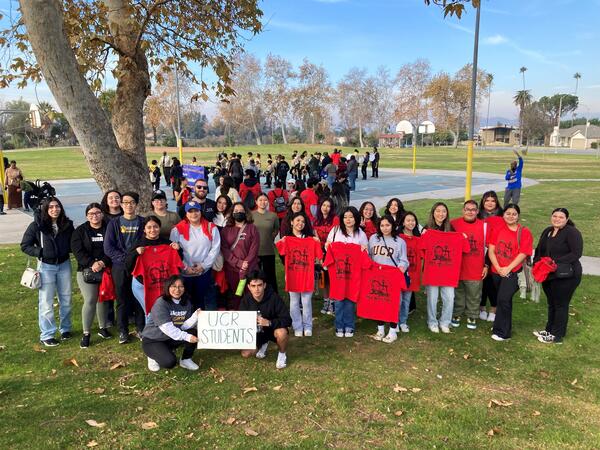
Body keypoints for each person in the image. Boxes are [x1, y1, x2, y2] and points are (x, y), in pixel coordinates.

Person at [21, 197, 74, 347]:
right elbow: (25, 245)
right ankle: (47, 334)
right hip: (46, 267)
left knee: (66, 299)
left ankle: (66, 329)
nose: (54, 209)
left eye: (57, 206)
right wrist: (42, 252)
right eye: (51, 207)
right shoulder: (37, 225)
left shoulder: (67, 224)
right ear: (45, 209)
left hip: (64, 264)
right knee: (46, 301)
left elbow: (73, 243)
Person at [533, 208, 583, 344]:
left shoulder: (572, 232)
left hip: (566, 275)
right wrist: (537, 262)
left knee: (561, 304)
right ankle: (549, 330)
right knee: (551, 303)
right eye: (555, 216)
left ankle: (557, 335)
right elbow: (539, 249)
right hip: (548, 274)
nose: (557, 219)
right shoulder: (547, 231)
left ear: (566, 219)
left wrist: (554, 262)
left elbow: (576, 253)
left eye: (561, 217)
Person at [104, 191, 145, 344]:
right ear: (121, 205)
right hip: (120, 266)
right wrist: (126, 259)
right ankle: (123, 331)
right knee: (122, 300)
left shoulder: (142, 222)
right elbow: (109, 248)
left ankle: (141, 328)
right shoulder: (114, 223)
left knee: (139, 298)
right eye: (125, 202)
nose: (128, 205)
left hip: (139, 266)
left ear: (136, 205)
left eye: (132, 202)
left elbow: (146, 242)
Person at [488, 203, 533, 341]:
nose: (511, 216)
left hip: (513, 272)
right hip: (497, 271)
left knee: (504, 299)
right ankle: (499, 325)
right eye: (508, 213)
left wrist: (508, 268)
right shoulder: (497, 229)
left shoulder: (524, 232)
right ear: (503, 215)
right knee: (502, 300)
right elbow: (491, 250)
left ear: (518, 216)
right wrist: (498, 267)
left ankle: (504, 332)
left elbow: (523, 253)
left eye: (514, 214)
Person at [421, 202, 468, 334]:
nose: (441, 214)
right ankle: (432, 322)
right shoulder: (427, 229)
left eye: (443, 211)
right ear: (433, 213)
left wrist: (462, 238)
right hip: (432, 270)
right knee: (432, 298)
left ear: (447, 214)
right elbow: (422, 250)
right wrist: (423, 235)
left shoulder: (451, 229)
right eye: (438, 211)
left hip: (448, 272)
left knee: (449, 297)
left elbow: (462, 247)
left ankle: (445, 321)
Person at [71, 203, 112, 348]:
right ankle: (86, 333)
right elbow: (78, 251)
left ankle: (103, 328)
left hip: (105, 269)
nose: (94, 216)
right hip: (86, 271)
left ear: (102, 214)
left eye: (97, 213)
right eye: (91, 214)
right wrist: (92, 263)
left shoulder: (109, 228)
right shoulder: (80, 231)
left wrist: (102, 262)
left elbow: (112, 247)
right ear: (87, 216)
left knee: (103, 299)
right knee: (90, 300)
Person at [277, 212, 323, 337]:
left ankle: (307, 326)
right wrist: (283, 241)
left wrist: (317, 241)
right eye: (297, 220)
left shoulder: (310, 239)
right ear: (291, 222)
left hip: (307, 274)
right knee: (294, 301)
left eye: (303, 221)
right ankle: (297, 325)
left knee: (307, 301)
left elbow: (320, 255)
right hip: (292, 274)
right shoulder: (287, 239)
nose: (300, 223)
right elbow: (280, 251)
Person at [127, 216, 183, 317]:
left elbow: (178, 262)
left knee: (162, 311)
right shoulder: (139, 244)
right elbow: (127, 265)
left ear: (159, 228)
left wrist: (178, 250)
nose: (152, 230)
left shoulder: (167, 244)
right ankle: (150, 332)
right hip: (142, 284)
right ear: (144, 229)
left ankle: (159, 332)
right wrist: (136, 253)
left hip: (163, 284)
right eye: (149, 227)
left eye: (155, 227)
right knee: (151, 312)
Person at [141, 276, 200, 372]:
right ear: (167, 287)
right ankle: (152, 355)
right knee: (170, 362)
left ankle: (186, 359)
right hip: (153, 340)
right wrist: (187, 337)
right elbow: (168, 329)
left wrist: (195, 316)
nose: (177, 290)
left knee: (193, 332)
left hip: (170, 338)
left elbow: (183, 326)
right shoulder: (161, 303)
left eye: (181, 286)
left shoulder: (186, 302)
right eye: (173, 286)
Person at [170, 201, 221, 311]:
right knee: (185, 301)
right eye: (190, 211)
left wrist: (203, 265)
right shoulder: (177, 230)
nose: (194, 214)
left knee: (200, 300)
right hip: (184, 273)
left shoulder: (211, 227)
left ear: (200, 212)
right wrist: (185, 267)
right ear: (186, 214)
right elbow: (173, 253)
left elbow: (215, 248)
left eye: (196, 211)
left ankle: (199, 324)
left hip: (203, 272)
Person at [326, 206, 368, 337]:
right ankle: (339, 325)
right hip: (338, 273)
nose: (348, 220)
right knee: (338, 300)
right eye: (345, 217)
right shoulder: (335, 230)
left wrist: (363, 249)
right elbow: (327, 245)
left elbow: (366, 253)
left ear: (356, 218)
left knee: (350, 299)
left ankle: (349, 325)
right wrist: (328, 246)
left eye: (351, 217)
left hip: (352, 273)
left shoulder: (360, 234)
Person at [368, 215, 409, 343]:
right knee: (378, 302)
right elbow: (369, 256)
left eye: (387, 225)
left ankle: (392, 331)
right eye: (382, 225)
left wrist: (400, 269)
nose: (385, 228)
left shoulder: (399, 241)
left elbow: (404, 260)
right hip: (377, 276)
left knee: (393, 304)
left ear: (393, 226)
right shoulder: (374, 238)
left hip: (392, 277)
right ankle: (380, 329)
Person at [240, 270, 291, 369]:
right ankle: (263, 343)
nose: (257, 289)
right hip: (256, 333)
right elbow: (240, 322)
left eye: (259, 285)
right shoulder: (245, 301)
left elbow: (287, 320)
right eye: (253, 286)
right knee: (246, 353)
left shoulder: (274, 298)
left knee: (282, 333)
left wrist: (269, 322)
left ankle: (282, 354)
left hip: (273, 329)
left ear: (264, 285)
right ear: (249, 287)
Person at [450, 200, 488, 330]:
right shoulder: (454, 224)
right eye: (467, 209)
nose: (470, 212)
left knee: (474, 294)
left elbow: (489, 248)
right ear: (463, 210)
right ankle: (457, 313)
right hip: (458, 267)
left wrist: (486, 265)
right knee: (458, 293)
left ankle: (472, 315)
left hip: (475, 267)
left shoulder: (484, 226)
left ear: (477, 211)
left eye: (473, 209)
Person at [220, 202, 259, 309]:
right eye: (236, 211)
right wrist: (239, 263)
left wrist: (246, 264)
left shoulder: (252, 228)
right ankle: (237, 315)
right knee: (236, 294)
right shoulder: (226, 230)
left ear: (246, 213)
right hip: (233, 270)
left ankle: (251, 317)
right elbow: (224, 249)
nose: (238, 213)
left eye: (241, 211)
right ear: (232, 213)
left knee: (250, 294)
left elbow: (254, 249)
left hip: (249, 269)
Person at [477, 191, 504, 322]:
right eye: (487, 200)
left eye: (493, 200)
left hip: (496, 252)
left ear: (497, 202)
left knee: (492, 280)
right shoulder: (477, 215)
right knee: (482, 279)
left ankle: (494, 307)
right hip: (480, 250)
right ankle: (481, 307)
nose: (490, 203)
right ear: (483, 202)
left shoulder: (503, 216)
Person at [313, 198, 340, 315]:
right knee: (323, 279)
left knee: (332, 278)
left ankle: (333, 301)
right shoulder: (316, 220)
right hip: (320, 253)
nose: (325, 208)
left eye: (328, 206)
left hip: (331, 252)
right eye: (324, 205)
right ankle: (326, 300)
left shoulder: (335, 219)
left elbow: (336, 236)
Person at [252, 193, 280, 292]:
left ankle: (273, 296)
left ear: (268, 202)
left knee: (270, 276)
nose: (263, 202)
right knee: (255, 276)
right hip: (255, 252)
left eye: (265, 200)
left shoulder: (273, 216)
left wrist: (270, 237)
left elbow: (276, 229)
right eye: (260, 200)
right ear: (256, 202)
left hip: (268, 250)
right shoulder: (251, 215)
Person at [399, 211, 422, 329]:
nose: (411, 223)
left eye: (413, 220)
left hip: (413, 274)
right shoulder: (398, 238)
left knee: (407, 299)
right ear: (403, 222)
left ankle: (403, 321)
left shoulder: (419, 239)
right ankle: (395, 322)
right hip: (399, 273)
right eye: (408, 220)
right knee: (398, 299)